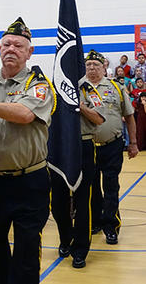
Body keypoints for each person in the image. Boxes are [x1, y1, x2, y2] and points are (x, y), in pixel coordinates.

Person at [0, 17, 55, 284]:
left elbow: (25, 114)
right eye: (7, 44)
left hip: (29, 181)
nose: (11, 49)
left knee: (26, 249)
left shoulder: (37, 84)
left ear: (29, 52)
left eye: (18, 45)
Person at [51, 54, 106, 269]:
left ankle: (80, 249)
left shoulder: (88, 90)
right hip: (59, 147)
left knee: (84, 201)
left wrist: (78, 105)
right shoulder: (53, 87)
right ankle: (66, 239)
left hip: (83, 147)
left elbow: (100, 118)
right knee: (58, 201)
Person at [88, 50, 138, 245]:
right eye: (89, 65)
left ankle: (111, 226)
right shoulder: (78, 89)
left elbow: (130, 117)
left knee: (110, 186)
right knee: (91, 187)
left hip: (112, 146)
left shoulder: (116, 88)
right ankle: (96, 222)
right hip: (87, 147)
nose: (92, 68)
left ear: (104, 68)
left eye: (96, 65)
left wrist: (133, 143)